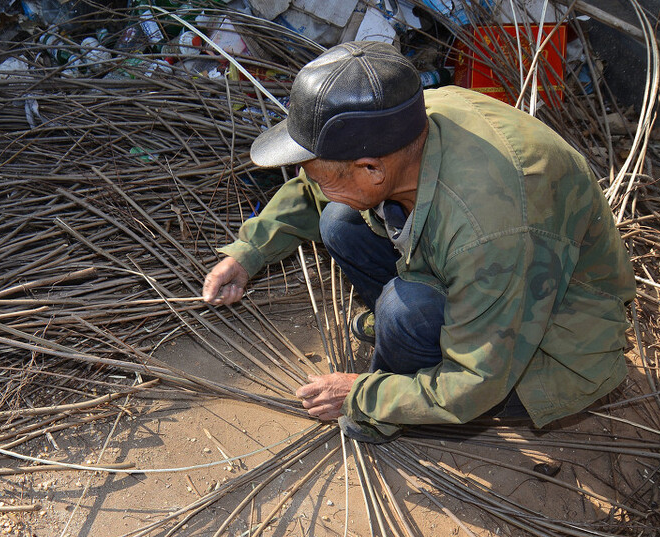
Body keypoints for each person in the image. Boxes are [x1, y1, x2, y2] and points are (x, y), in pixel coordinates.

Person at [202, 41, 634, 443]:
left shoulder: (488, 232)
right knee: (339, 217)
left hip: (550, 347)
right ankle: (409, 346)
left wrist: (363, 395)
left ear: (372, 170)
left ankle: (404, 365)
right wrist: (248, 253)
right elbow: (315, 189)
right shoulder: (401, 122)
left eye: (323, 174)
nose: (315, 181)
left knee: (405, 309)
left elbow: (474, 383)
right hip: (486, 270)